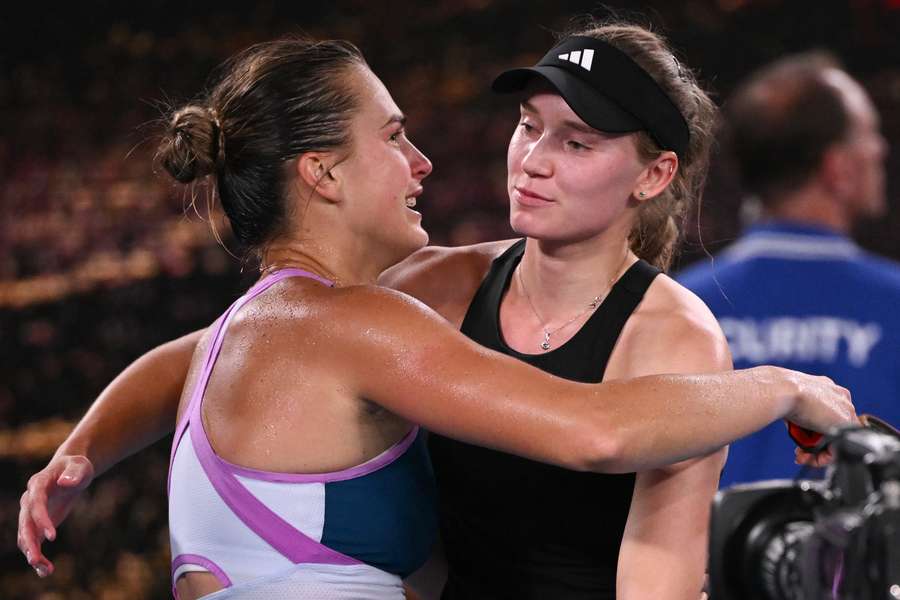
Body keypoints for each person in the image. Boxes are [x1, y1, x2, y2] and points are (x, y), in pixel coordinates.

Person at [18, 28, 853, 600]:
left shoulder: (672, 334)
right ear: (321, 174)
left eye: (576, 142)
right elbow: (594, 430)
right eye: (529, 128)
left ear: (653, 175)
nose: (530, 162)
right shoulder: (398, 305)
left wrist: (81, 453)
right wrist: (784, 386)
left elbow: (188, 358)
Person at [678, 51, 900, 488]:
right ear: (837, 168)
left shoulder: (680, 304)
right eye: (868, 134)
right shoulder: (894, 303)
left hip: (707, 554)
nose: (881, 148)